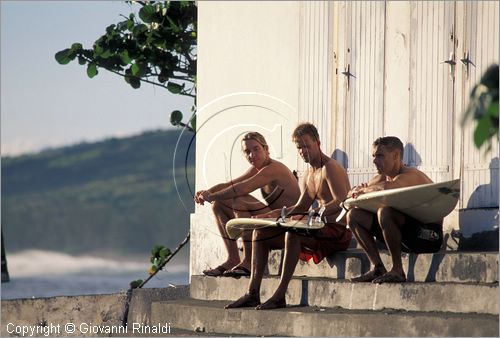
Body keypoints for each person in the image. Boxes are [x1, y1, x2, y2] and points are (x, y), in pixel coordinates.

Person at [225, 122, 352, 310]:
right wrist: (271, 215)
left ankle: (279, 295)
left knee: (293, 234)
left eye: (307, 145)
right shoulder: (310, 172)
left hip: (337, 232)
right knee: (260, 233)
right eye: (299, 147)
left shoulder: (330, 168)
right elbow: (301, 206)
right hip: (314, 229)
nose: (303, 151)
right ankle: (252, 294)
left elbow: (341, 201)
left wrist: (315, 213)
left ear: (318, 142)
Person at [194, 132, 300, 278]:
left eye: (256, 149)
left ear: (266, 149)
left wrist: (211, 196)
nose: (252, 155)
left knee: (239, 201)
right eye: (247, 151)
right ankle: (233, 258)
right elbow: (231, 184)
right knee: (218, 205)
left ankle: (249, 261)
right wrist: (207, 192)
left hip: (289, 228)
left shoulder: (274, 168)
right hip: (273, 222)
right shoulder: (256, 168)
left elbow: (242, 188)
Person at [347, 136, 443, 283]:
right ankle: (377, 267)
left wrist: (364, 191)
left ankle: (397, 270)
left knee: (385, 212)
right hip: (405, 235)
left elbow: (388, 188)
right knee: (353, 215)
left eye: (380, 156)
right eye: (374, 156)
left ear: (396, 156)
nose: (374, 161)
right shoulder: (382, 178)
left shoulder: (411, 175)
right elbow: (353, 192)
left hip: (428, 237)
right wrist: (356, 191)